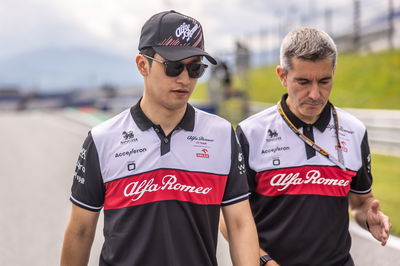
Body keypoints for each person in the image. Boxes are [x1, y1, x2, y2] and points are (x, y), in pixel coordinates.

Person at [60, 10, 259, 266]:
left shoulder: (221, 135)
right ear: (143, 65)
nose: (185, 79)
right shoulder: (102, 139)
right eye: (174, 67)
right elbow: (80, 231)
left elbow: (240, 224)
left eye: (195, 68)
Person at [226, 27, 391, 266]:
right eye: (303, 81)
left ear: (334, 72)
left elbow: (360, 203)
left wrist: (369, 217)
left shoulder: (354, 131)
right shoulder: (250, 133)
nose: (315, 94)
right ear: (282, 76)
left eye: (324, 81)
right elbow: (230, 218)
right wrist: (262, 261)